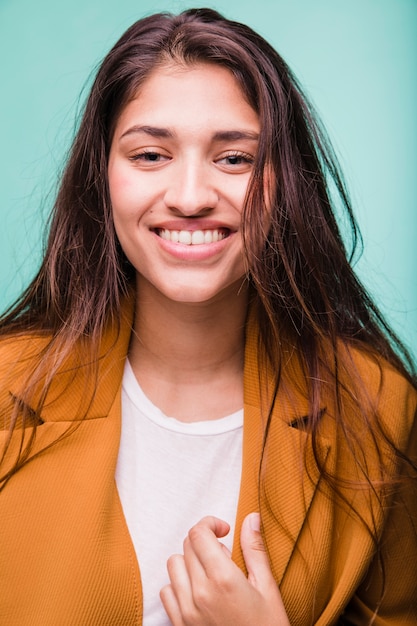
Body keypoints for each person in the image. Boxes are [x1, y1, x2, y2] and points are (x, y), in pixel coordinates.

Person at [0, 7, 416, 625]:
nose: (191, 197)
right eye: (149, 155)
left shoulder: (378, 407)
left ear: (286, 183)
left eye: (234, 160)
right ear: (102, 176)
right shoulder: (7, 388)